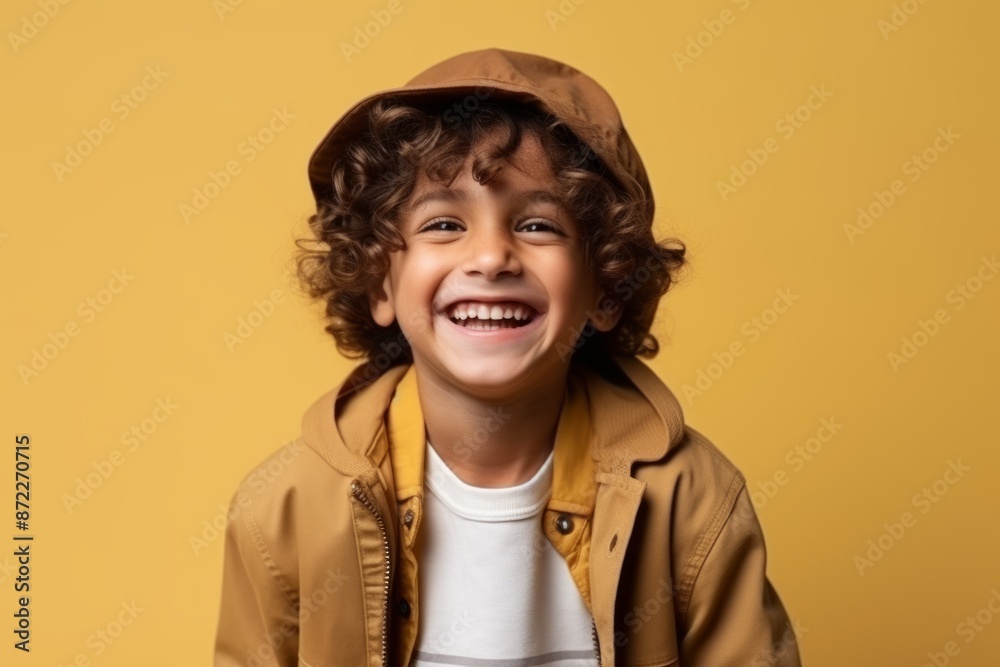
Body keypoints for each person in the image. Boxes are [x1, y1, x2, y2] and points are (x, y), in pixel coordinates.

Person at [214, 48, 802, 667]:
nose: (491, 257)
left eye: (540, 226)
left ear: (605, 285)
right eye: (443, 224)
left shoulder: (693, 499)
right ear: (379, 284)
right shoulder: (284, 510)